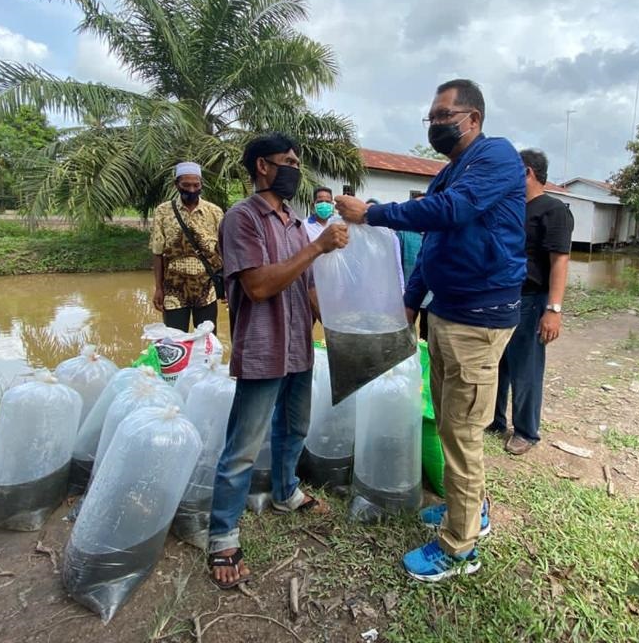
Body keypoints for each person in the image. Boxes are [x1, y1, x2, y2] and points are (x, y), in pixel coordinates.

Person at [333, 78, 526, 582]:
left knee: (462, 434)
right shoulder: (450, 172)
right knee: (448, 422)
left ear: (474, 119)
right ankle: (471, 511)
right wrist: (411, 299)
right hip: (448, 312)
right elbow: (437, 241)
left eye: (444, 115)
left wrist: (373, 213)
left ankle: (460, 549)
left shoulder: (496, 159)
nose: (437, 124)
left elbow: (449, 212)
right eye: (432, 118)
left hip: (478, 319)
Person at [206, 134, 348, 590]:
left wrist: (340, 327)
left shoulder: (293, 223)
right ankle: (223, 533)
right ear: (262, 167)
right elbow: (259, 287)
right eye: (288, 162)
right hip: (264, 347)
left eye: (297, 162)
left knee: (294, 427)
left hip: (298, 345)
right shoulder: (241, 219)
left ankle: (286, 492)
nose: (295, 169)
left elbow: (306, 287)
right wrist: (317, 246)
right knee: (243, 446)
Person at [490, 149, 572, 455]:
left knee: (526, 367)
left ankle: (525, 430)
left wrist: (553, 309)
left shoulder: (552, 210)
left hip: (532, 299)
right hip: (503, 298)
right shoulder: (511, 208)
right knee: (498, 364)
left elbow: (560, 261)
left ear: (526, 172)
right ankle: (494, 420)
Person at [150, 162, 223, 332]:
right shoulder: (162, 212)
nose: (191, 189)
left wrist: (226, 285)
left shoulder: (215, 212)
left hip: (207, 290)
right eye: (186, 185)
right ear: (176, 185)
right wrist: (159, 288)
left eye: (196, 185)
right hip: (174, 291)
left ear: (201, 185)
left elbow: (224, 250)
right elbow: (157, 252)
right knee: (174, 342)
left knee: (207, 343)